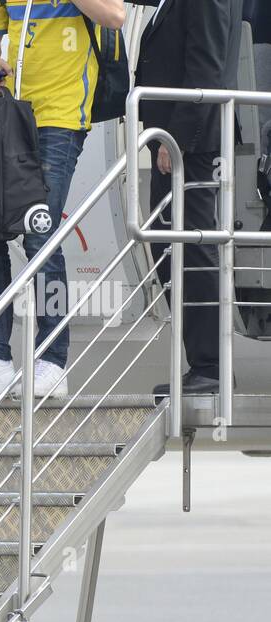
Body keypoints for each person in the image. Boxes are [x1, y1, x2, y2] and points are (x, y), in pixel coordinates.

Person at [0, 0, 127, 399]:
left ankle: (53, 360)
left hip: (59, 119)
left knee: (39, 232)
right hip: (10, 116)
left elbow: (114, 16)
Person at [129, 0, 244, 396]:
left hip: (188, 145)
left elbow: (206, 67)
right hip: (172, 140)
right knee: (169, 246)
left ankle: (211, 368)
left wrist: (178, 137)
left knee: (192, 246)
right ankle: (203, 364)